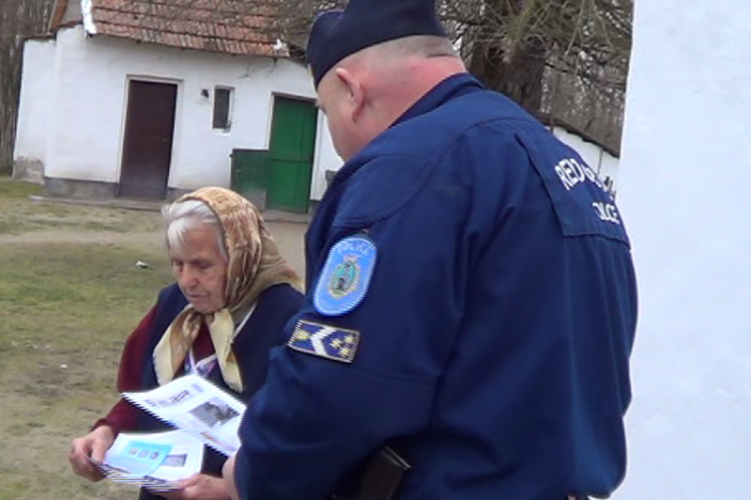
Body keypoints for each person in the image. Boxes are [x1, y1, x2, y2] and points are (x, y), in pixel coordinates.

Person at [225, 1, 638, 499]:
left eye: (326, 111)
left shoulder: (409, 166)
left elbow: (341, 379)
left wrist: (256, 472)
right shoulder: (566, 169)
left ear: (352, 92)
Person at [68, 186, 303, 500]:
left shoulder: (291, 321)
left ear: (242, 256)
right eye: (178, 264)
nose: (186, 281)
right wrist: (107, 432)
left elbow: (306, 441)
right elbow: (143, 396)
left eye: (202, 266)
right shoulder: (174, 306)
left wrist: (230, 490)